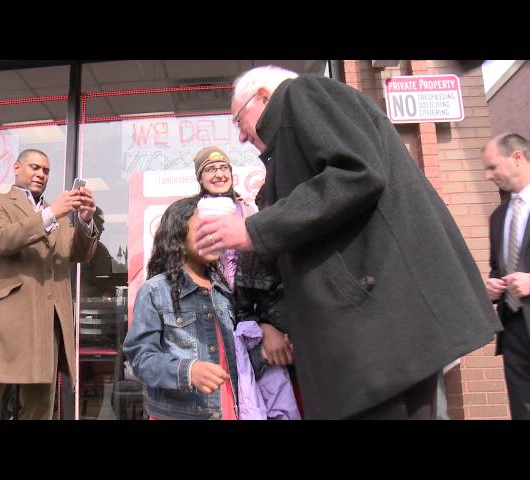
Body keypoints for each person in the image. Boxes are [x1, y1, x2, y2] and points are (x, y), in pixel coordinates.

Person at [194, 65, 502, 419]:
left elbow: (357, 173)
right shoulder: (305, 123)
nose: (242, 137)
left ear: (264, 96)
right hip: (383, 334)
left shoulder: (303, 94)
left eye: (238, 120)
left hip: (373, 338)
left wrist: (253, 230)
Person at [0, 149, 100, 420]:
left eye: (46, 170)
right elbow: (1, 240)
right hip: (4, 319)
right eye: (34, 167)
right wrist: (50, 214)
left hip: (48, 321)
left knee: (39, 408)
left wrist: (84, 221)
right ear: (16, 167)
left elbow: (80, 253)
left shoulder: (58, 216)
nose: (40, 174)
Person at [122, 196, 238, 420]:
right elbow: (141, 357)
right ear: (178, 234)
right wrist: (187, 371)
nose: (214, 236)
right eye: (205, 227)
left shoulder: (224, 290)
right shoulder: (156, 291)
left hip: (229, 410)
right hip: (181, 414)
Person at [193, 146, 294, 368]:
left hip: (247, 300)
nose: (219, 174)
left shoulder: (248, 209)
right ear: (200, 178)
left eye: (223, 168)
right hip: (211, 301)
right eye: (210, 169)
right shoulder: (191, 213)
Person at [483, 133, 530, 420]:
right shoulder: (498, 217)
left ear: (517, 157)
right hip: (513, 331)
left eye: (492, 167)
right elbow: (496, 267)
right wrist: (491, 287)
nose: (488, 176)